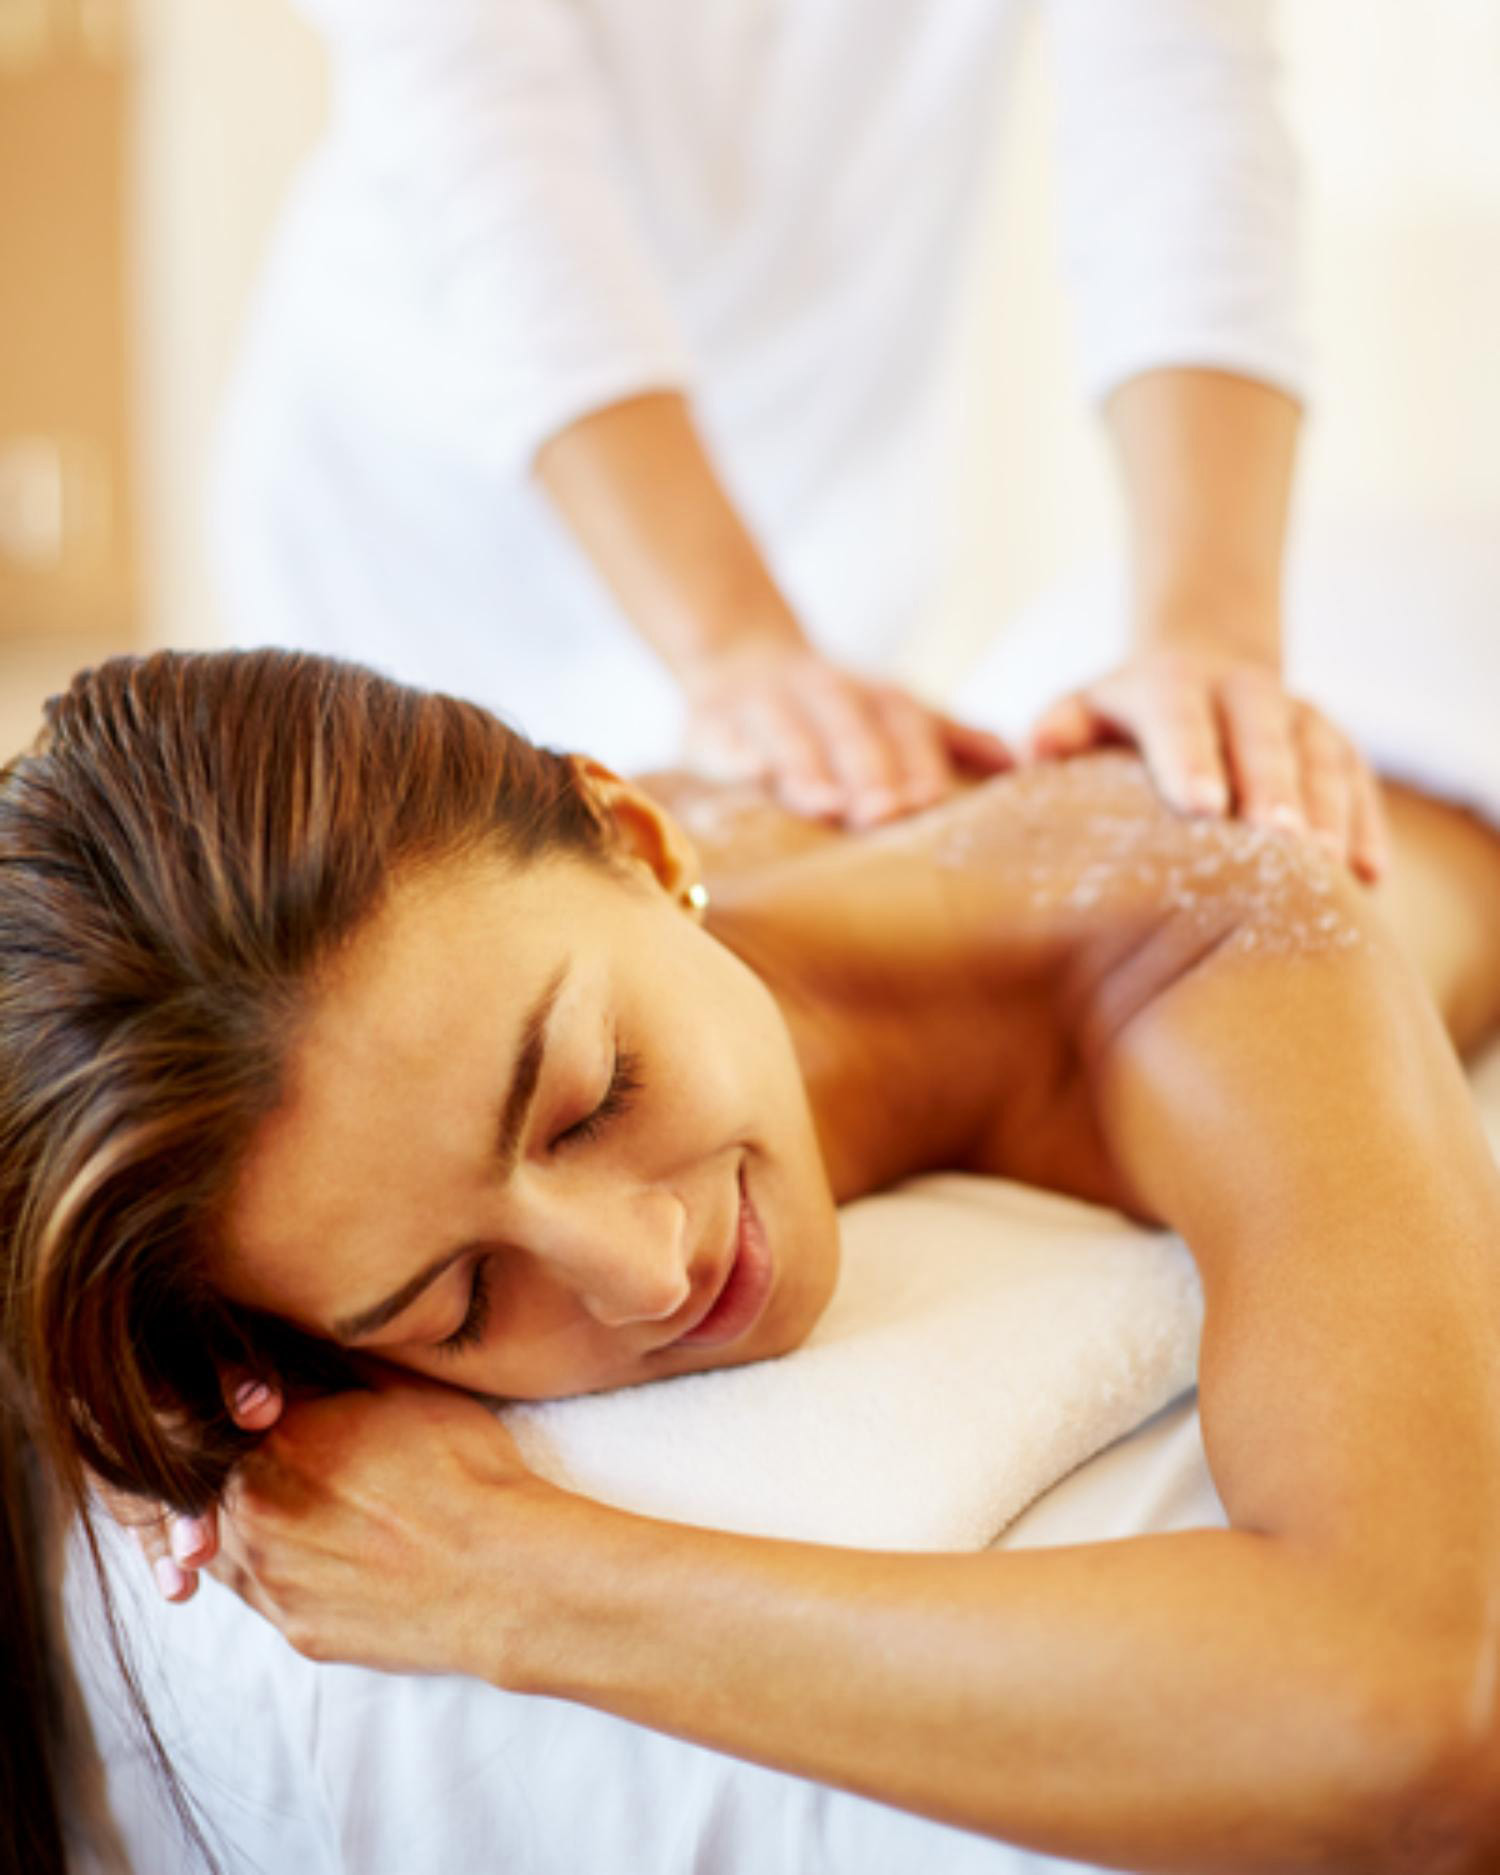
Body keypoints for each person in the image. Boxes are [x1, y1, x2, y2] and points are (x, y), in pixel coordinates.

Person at [2, 651, 1498, 1872]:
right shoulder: (430, 1025)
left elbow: (1425, 1711)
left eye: (592, 1097)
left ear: (644, 842)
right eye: (458, 1301)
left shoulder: (1212, 936)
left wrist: (512, 1578)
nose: (645, 1272)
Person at [213, 0, 1386, 868]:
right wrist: (734, 644)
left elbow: (1180, 107)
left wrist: (1212, 636)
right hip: (424, 490)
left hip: (817, 471)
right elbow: (485, 156)